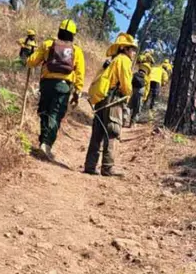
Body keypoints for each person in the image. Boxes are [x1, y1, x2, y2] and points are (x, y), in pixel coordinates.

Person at [26, 19, 85, 161]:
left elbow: (31, 62)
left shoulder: (47, 44)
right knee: (55, 115)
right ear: (73, 35)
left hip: (46, 84)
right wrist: (77, 91)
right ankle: (46, 144)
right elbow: (80, 73)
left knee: (44, 112)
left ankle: (43, 142)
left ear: (59, 31)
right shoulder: (77, 51)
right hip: (63, 87)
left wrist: (31, 55)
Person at [84, 33, 137, 176]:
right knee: (112, 132)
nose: (134, 52)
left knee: (97, 132)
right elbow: (126, 85)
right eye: (132, 49)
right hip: (113, 100)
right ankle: (107, 167)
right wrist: (127, 96)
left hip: (101, 99)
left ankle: (90, 165)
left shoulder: (113, 60)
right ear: (124, 48)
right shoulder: (124, 60)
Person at [128, 51, 153, 125]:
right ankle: (132, 123)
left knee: (130, 104)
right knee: (138, 107)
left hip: (134, 86)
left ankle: (124, 118)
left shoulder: (141, 64)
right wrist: (145, 96)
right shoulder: (149, 70)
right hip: (141, 89)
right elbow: (147, 86)